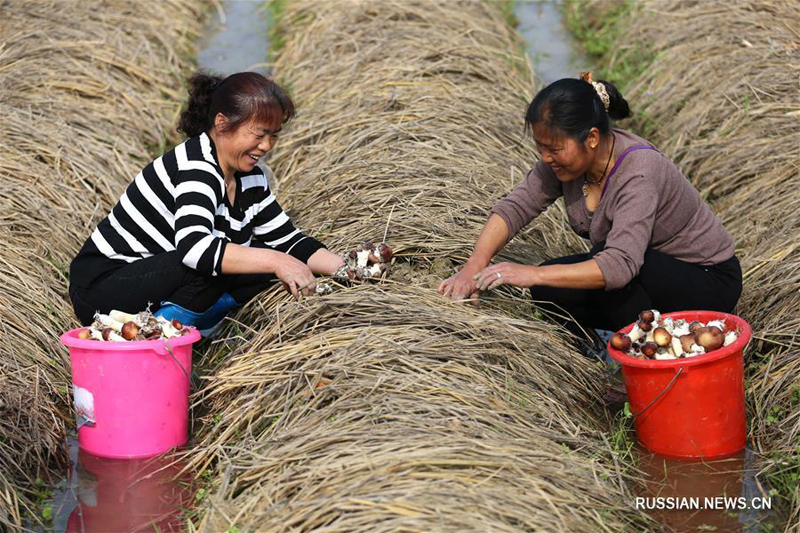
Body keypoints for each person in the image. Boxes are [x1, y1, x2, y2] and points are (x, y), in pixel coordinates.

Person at [438, 73, 742, 335]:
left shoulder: (639, 171)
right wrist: (472, 268)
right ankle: (600, 350)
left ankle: (645, 360)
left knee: (605, 274)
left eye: (554, 148)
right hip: (641, 268)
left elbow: (621, 265)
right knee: (548, 289)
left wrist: (530, 273)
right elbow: (516, 207)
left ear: (592, 138)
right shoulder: (564, 164)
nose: (546, 158)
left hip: (705, 279)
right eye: (540, 148)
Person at [69, 71, 344, 334]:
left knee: (260, 265)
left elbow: (287, 240)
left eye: (273, 135)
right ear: (223, 124)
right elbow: (195, 248)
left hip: (157, 274)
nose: (266, 146)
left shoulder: (251, 177)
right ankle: (160, 338)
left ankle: (194, 326)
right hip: (105, 286)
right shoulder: (196, 168)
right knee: (211, 267)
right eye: (258, 135)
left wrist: (346, 270)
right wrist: (277, 261)